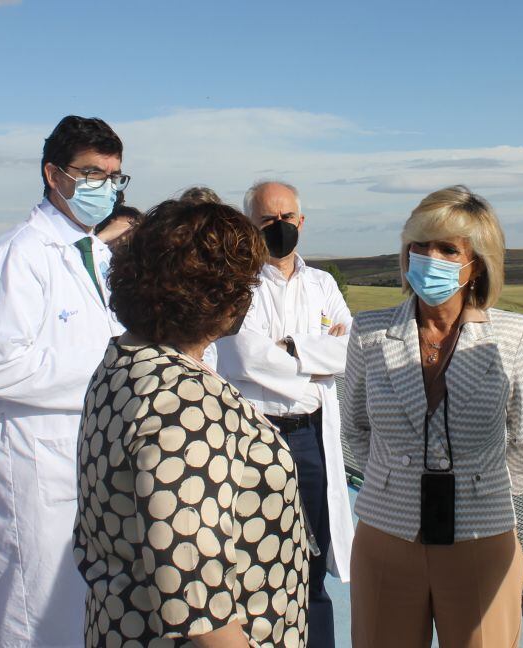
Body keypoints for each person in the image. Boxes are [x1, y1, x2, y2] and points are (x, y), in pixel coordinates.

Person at [74, 199, 309, 648]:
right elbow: (196, 591)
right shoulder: (184, 403)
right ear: (220, 295)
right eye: (244, 285)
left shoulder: (124, 363)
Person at [342, 186, 523, 647]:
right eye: (418, 244)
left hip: (482, 536)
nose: (427, 256)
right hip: (386, 536)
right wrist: (391, 480)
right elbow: (354, 428)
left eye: (446, 248)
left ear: (475, 263)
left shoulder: (513, 335)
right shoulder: (369, 333)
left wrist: (481, 485)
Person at [0, 115, 129, 646]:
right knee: (33, 609)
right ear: (54, 175)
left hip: (88, 458)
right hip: (37, 464)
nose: (105, 188)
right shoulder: (18, 254)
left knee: (82, 606)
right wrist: (111, 369)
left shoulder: (98, 255)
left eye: (114, 177)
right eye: (92, 175)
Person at [213, 180, 353, 648]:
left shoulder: (323, 284)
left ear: (301, 221)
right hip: (254, 435)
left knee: (313, 559)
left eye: (286, 218)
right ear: (251, 226)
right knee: (254, 551)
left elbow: (349, 350)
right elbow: (243, 359)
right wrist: (315, 363)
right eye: (267, 220)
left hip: (310, 437)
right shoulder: (239, 284)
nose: (279, 227)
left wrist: (289, 348)